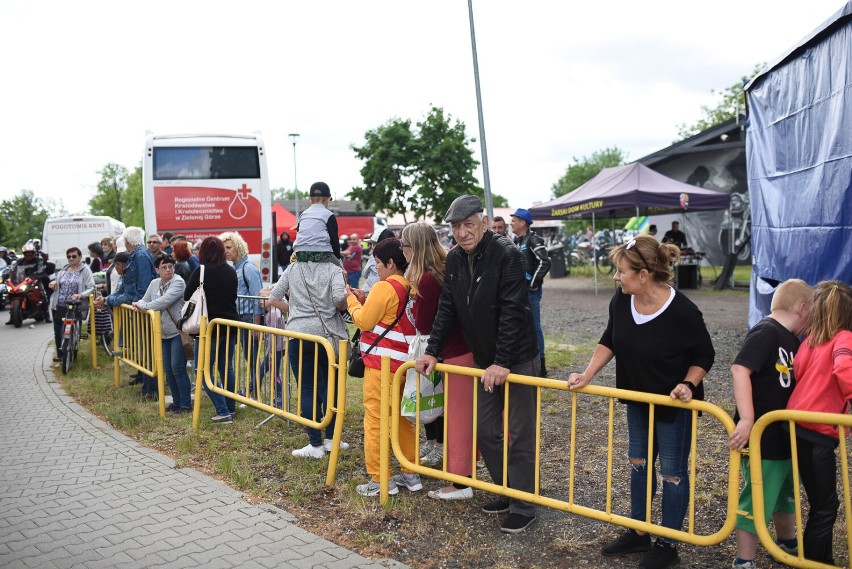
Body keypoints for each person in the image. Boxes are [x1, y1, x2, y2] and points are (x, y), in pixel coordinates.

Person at [566, 234, 714, 568]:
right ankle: (640, 529)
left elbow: (705, 354)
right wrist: (587, 374)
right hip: (637, 399)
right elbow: (610, 339)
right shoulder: (620, 301)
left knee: (673, 473)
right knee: (639, 463)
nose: (616, 277)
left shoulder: (683, 311)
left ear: (643, 275)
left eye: (621, 271)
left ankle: (667, 543)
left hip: (674, 406)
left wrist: (688, 384)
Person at [415, 195, 540, 534]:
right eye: (456, 226)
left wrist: (503, 361)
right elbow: (447, 308)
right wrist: (433, 351)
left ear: (484, 223)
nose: (462, 232)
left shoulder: (507, 253)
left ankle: (524, 504)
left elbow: (514, 309)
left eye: (468, 224)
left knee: (520, 432)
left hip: (518, 358)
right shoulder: (455, 258)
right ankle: (506, 489)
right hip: (486, 360)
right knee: (486, 431)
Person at [728, 279, 813, 569]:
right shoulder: (765, 332)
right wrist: (748, 419)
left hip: (784, 435)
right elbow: (740, 369)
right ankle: (744, 560)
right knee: (759, 496)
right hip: (763, 436)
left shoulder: (791, 338)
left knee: (785, 491)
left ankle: (787, 543)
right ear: (802, 307)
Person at [401, 222, 475, 500]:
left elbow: (424, 323)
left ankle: (460, 483)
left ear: (414, 248)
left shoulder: (427, 279)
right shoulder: (446, 269)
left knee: (456, 420)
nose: (402, 251)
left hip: (451, 354)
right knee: (462, 418)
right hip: (463, 350)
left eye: (404, 246)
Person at [786, 280, 852, 565]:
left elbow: (798, 369)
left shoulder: (811, 340)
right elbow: (845, 371)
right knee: (826, 506)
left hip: (797, 427)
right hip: (820, 434)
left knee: (819, 502)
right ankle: (814, 561)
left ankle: (819, 558)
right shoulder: (844, 339)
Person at [347, 238, 419, 496]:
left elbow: (364, 322)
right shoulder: (410, 286)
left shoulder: (384, 287)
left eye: (377, 262)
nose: (375, 267)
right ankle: (410, 473)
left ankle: (380, 480)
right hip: (403, 365)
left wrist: (352, 301)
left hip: (380, 365)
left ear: (390, 263)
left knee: (375, 420)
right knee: (402, 419)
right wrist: (366, 298)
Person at [269, 256, 350, 458]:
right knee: (334, 387)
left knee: (307, 388)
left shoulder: (293, 268)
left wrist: (295, 310)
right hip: (329, 336)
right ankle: (332, 439)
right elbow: (340, 300)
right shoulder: (333, 267)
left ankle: (314, 444)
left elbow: (273, 297)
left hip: (300, 334)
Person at [184, 236, 240, 423]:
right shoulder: (231, 271)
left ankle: (222, 410)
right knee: (227, 368)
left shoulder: (201, 271)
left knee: (203, 370)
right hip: (230, 326)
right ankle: (231, 408)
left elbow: (187, 295)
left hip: (209, 329)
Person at [132, 255, 192, 414]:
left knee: (177, 368)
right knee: (168, 369)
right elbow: (144, 300)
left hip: (177, 331)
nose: (168, 270)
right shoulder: (154, 283)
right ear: (157, 269)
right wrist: (138, 304)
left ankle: (186, 404)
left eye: (171, 267)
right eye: (164, 267)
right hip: (162, 332)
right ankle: (176, 402)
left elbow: (163, 302)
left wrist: (143, 306)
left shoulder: (178, 282)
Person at [220, 231, 263, 395]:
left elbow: (256, 297)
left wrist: (256, 324)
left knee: (251, 358)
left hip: (249, 318)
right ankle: (252, 389)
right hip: (237, 318)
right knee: (246, 358)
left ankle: (255, 391)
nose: (226, 251)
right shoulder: (234, 268)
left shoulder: (248, 268)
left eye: (229, 247)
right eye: (224, 248)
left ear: (238, 247)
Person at [511, 208, 552, 377]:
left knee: (535, 326)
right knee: (522, 325)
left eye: (514, 220)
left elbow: (545, 261)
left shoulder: (533, 239)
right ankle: (529, 362)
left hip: (531, 290)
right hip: (521, 289)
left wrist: (534, 283)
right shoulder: (517, 239)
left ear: (522, 222)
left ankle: (541, 366)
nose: (511, 223)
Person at [48, 247, 95, 362]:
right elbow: (56, 282)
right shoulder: (64, 269)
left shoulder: (84, 270)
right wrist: (54, 282)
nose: (71, 258)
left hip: (75, 305)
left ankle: (72, 350)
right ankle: (60, 356)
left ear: (80, 257)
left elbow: (91, 287)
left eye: (74, 256)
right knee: (58, 331)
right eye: (69, 256)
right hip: (59, 305)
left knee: (68, 330)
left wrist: (81, 295)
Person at [95, 227, 156, 313]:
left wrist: (137, 306)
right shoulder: (136, 255)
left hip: (138, 310)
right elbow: (124, 288)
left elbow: (143, 287)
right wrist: (106, 299)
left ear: (126, 240)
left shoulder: (141, 255)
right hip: (134, 307)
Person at [293, 181, 342, 262]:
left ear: (310, 199)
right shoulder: (328, 215)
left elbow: (299, 233)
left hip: (300, 254)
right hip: (321, 253)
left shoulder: (303, 215)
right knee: (340, 270)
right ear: (328, 198)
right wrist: (339, 259)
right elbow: (334, 240)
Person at [362, 228, 395, 295]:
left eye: (374, 244)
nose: (372, 247)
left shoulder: (374, 257)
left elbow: (365, 273)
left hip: (373, 295)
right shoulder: (396, 258)